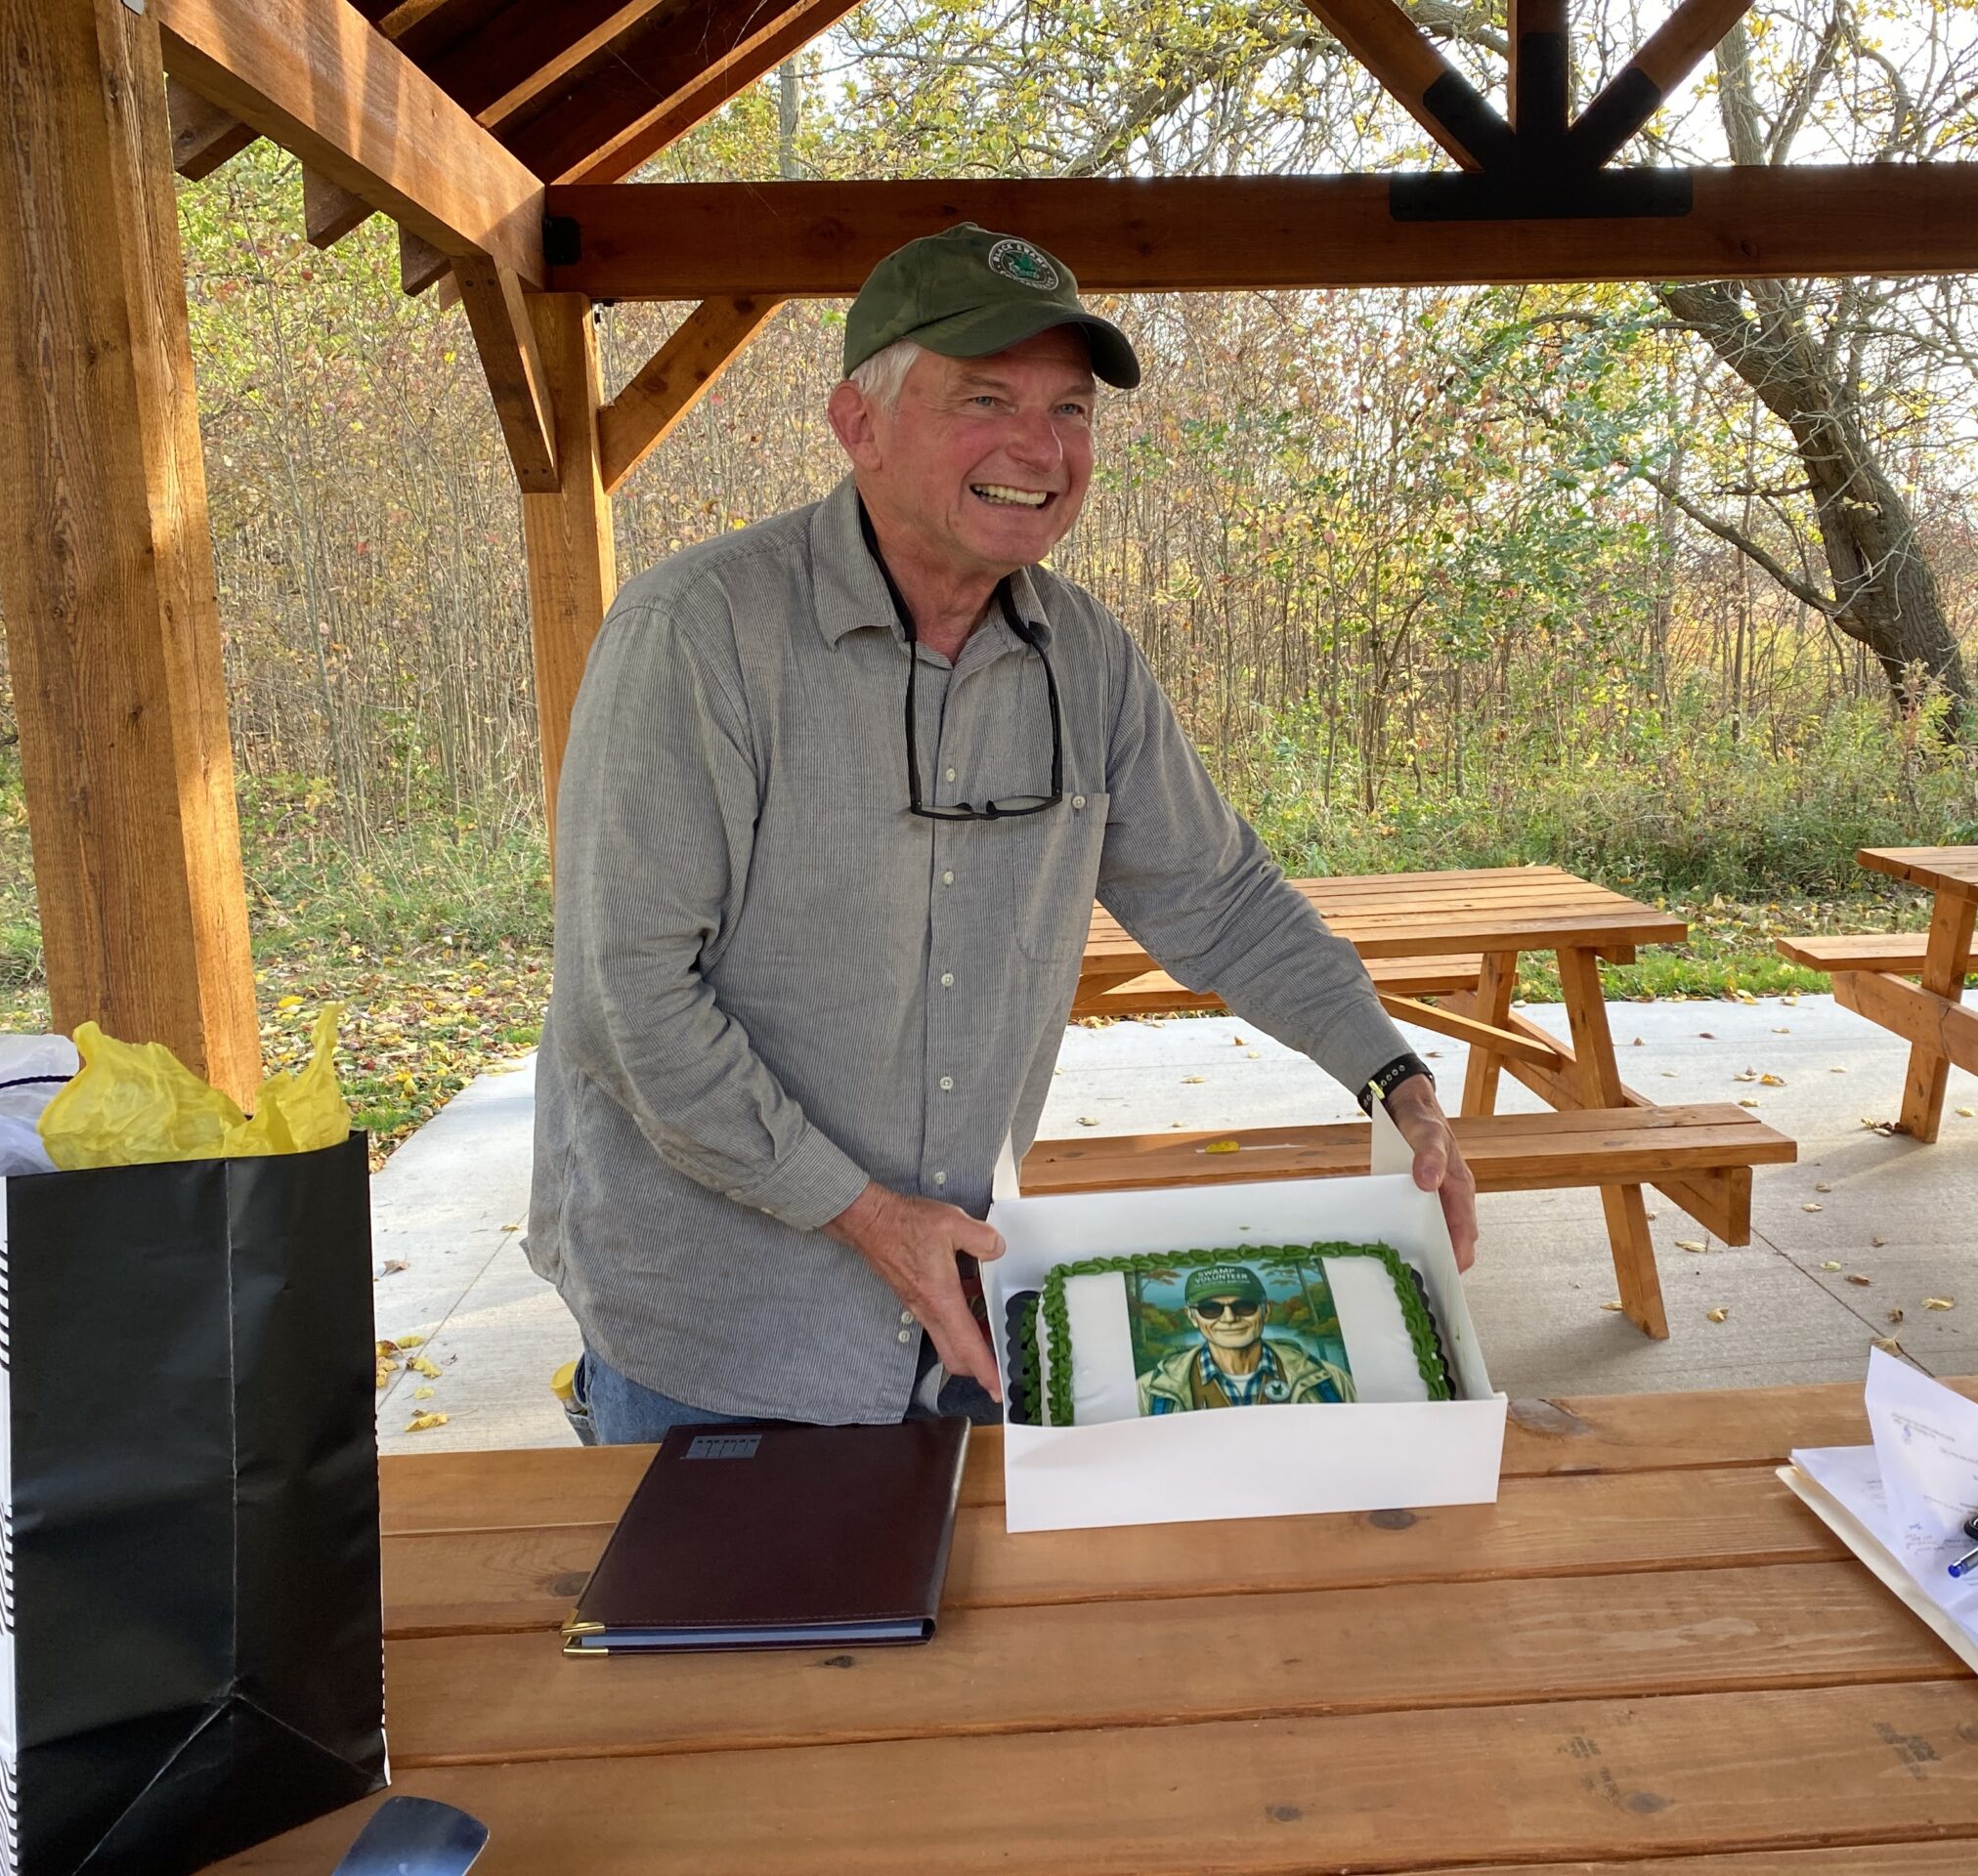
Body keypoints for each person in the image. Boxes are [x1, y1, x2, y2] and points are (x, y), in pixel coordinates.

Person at [529, 223, 1479, 1440]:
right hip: (719, 1335)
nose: (1041, 448)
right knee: (734, 1641)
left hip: (967, 1313)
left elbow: (1220, 899)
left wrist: (1393, 1079)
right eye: (985, 399)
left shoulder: (1082, 654)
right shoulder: (697, 635)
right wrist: (864, 1215)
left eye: (1070, 411)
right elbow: (628, 1000)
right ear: (858, 424)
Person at [1139, 1264, 1354, 1413]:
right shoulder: (1149, 1390)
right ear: (1192, 1317)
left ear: (1265, 1311)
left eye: (1244, 1306)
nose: (1230, 1318)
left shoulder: (1329, 1380)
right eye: (1210, 1309)